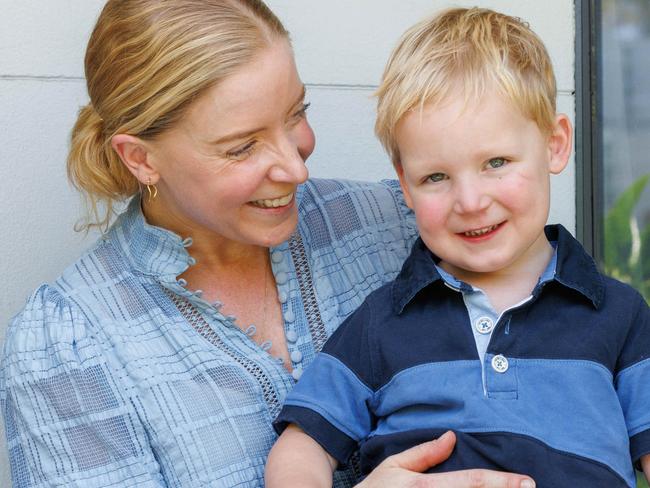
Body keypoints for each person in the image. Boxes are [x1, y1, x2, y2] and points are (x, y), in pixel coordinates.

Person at [0, 1, 538, 487]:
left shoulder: (396, 224)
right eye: (241, 148)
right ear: (140, 158)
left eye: (296, 115)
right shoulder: (69, 348)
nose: (296, 167)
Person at [266, 7, 650, 488]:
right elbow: (302, 446)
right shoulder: (384, 321)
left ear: (555, 144)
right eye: (436, 177)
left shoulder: (621, 315)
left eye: (496, 162)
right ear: (404, 184)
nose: (470, 202)